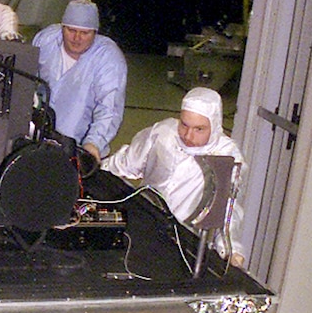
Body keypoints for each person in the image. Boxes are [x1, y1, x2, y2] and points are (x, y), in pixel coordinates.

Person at [102, 86, 247, 264]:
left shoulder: (225, 157)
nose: (188, 136)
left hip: (181, 245)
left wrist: (231, 251)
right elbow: (124, 164)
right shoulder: (163, 134)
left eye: (199, 129)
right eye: (184, 125)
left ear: (214, 125)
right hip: (141, 223)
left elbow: (227, 212)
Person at [32, 0, 127, 161]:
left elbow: (109, 108)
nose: (77, 38)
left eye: (85, 33)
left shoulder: (109, 59)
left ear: (95, 33)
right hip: (39, 138)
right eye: (71, 30)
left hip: (78, 147)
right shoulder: (45, 40)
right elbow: (27, 78)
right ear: (62, 27)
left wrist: (94, 143)